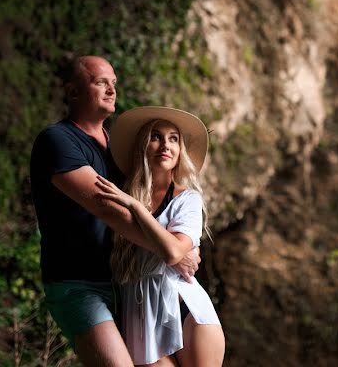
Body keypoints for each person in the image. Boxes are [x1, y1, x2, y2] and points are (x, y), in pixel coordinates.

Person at [30, 56, 201, 367]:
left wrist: (187, 242)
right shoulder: (57, 141)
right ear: (73, 92)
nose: (111, 90)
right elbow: (110, 210)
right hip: (78, 284)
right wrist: (172, 250)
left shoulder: (119, 150)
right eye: (100, 83)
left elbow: (153, 205)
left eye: (114, 83)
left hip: (128, 284)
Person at [96, 106, 225, 367]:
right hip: (140, 317)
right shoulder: (119, 195)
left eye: (173, 139)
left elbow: (173, 252)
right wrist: (129, 201)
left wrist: (134, 207)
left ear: (180, 151)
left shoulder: (186, 199)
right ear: (142, 146)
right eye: (156, 136)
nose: (165, 145)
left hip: (188, 311)